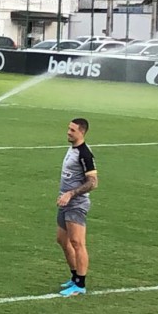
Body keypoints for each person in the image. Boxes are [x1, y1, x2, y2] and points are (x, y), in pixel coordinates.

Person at [56, 118, 98, 297]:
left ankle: (80, 284)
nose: (68, 132)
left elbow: (93, 183)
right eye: (68, 129)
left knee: (77, 243)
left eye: (72, 130)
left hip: (76, 204)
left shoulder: (85, 154)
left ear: (82, 132)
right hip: (64, 202)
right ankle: (74, 277)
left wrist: (71, 194)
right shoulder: (72, 149)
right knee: (61, 240)